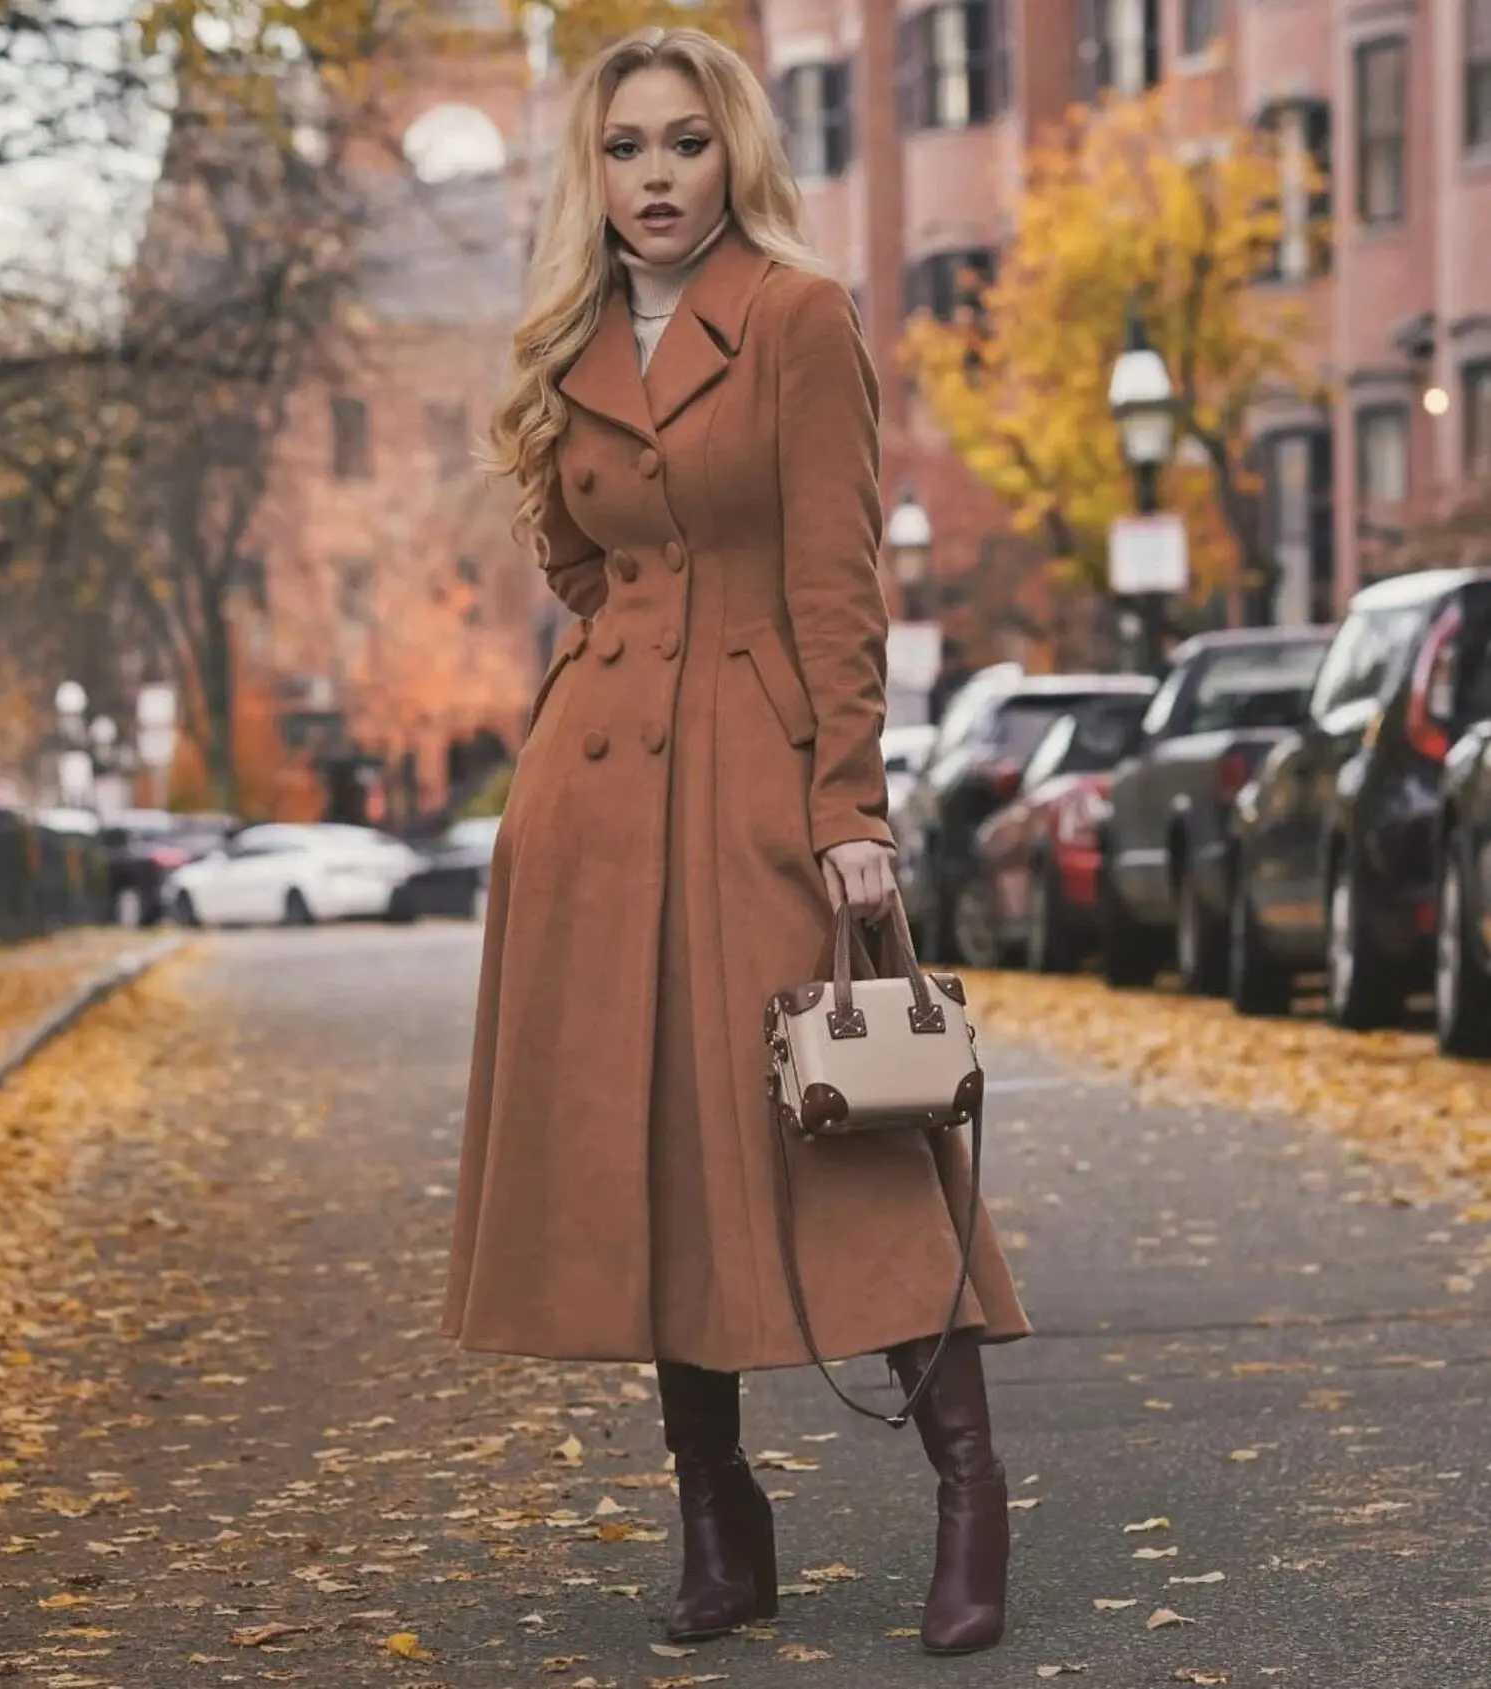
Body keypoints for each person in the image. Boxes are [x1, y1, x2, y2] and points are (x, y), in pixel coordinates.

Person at [440, 25, 1031, 1658]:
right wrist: (633, 661)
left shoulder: (795, 315)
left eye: (684, 145)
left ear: (734, 155)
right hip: (600, 806)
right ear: (594, 167)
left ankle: (968, 1492)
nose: (653, 178)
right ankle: (721, 1516)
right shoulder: (564, 338)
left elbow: (845, 582)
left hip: (766, 790)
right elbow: (577, 557)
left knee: (852, 1126)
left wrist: (852, 805)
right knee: (649, 1157)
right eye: (625, 148)